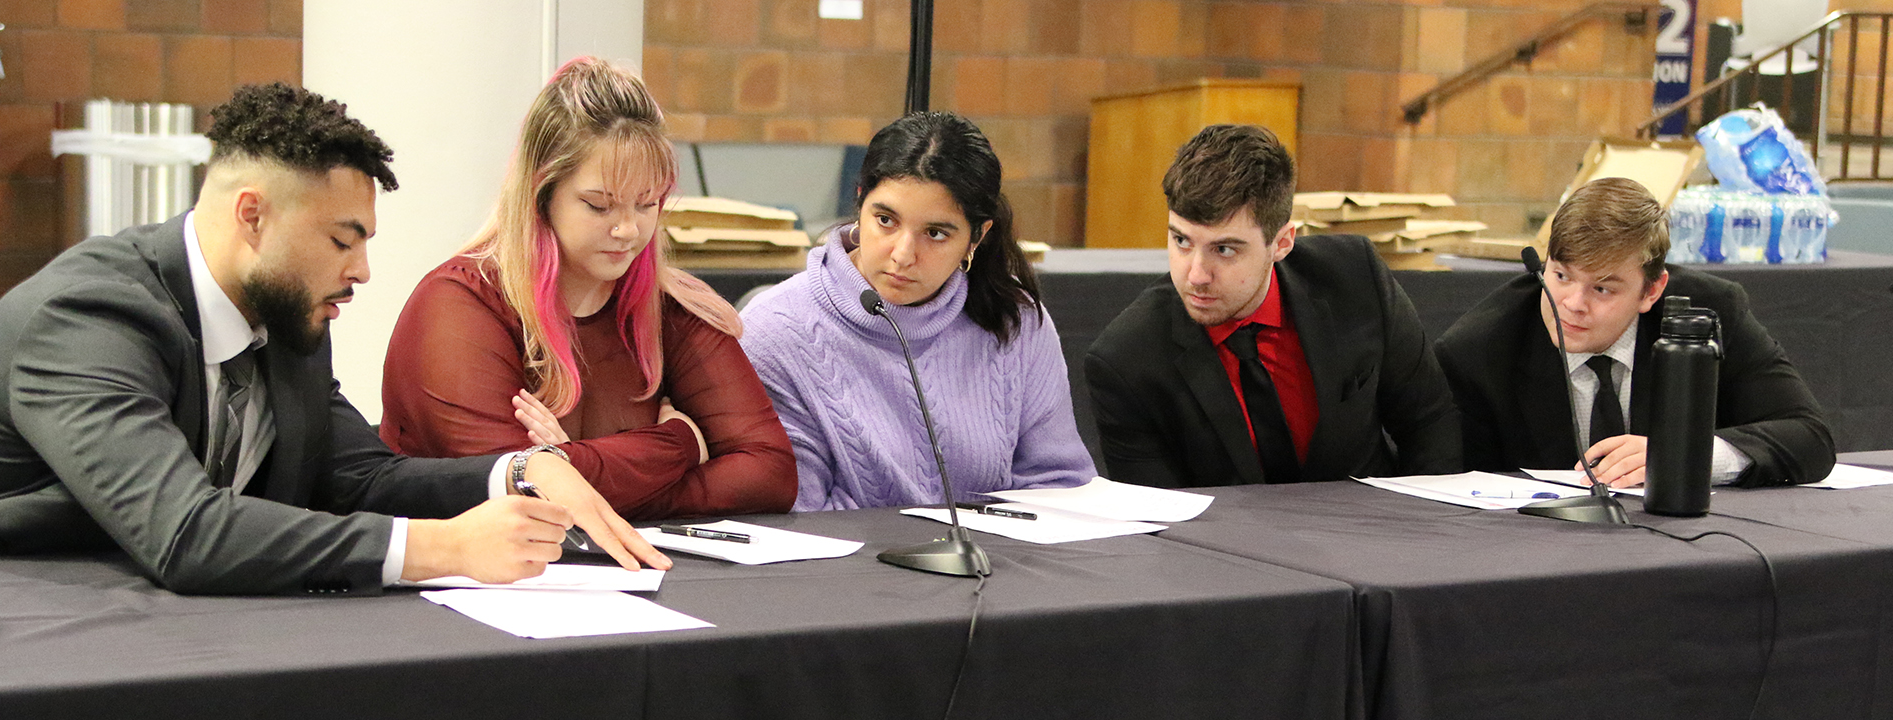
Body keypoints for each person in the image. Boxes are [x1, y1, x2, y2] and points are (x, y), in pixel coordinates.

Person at [0, 83, 668, 595]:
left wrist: (519, 471)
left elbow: (359, 477)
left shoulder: (286, 314)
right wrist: (444, 549)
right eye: (342, 240)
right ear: (252, 216)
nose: (362, 271)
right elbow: (184, 531)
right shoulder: (85, 318)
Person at [379, 58, 795, 520]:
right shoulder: (459, 306)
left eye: (647, 203)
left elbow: (770, 474)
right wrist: (678, 444)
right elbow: (519, 492)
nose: (628, 229)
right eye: (599, 206)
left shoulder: (672, 305)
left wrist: (576, 472)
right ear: (542, 194)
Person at [740, 111, 1094, 511]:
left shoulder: (1015, 320)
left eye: (936, 233)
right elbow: (796, 515)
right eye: (886, 220)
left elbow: (1060, 488)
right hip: (846, 570)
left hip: (994, 566)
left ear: (977, 237)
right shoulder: (776, 330)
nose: (903, 255)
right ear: (859, 202)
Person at [1085, 124, 1460, 488]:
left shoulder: (1355, 280)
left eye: (1224, 249)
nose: (1196, 274)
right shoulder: (1127, 360)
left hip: (1374, 535)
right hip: (1221, 547)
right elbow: (1160, 522)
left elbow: (1430, 422)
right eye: (1181, 241)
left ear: (1282, 243)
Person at [1435, 177, 1834, 487]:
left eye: (1602, 288)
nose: (1572, 303)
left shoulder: (1709, 313)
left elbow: (1810, 436)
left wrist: (1683, 454)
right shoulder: (1479, 350)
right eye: (1561, 276)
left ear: (1651, 290)